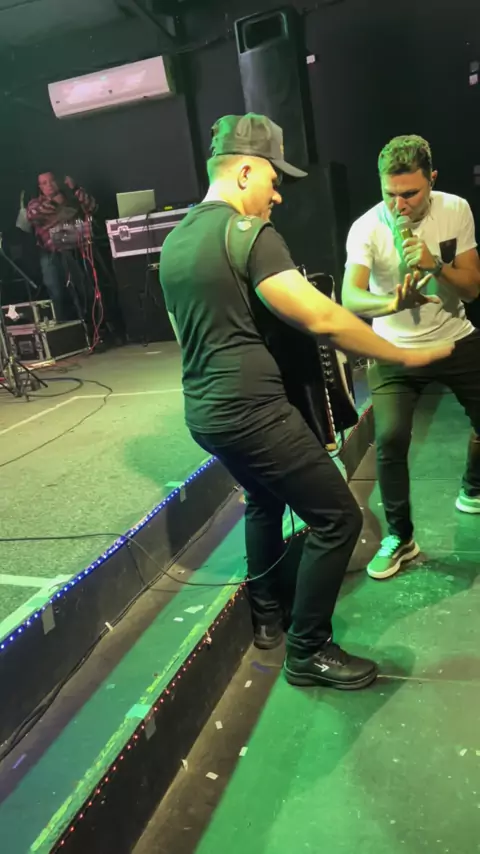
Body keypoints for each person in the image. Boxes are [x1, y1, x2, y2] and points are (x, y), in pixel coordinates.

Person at [160, 114, 452, 691]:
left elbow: (183, 333)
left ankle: (268, 615)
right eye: (273, 182)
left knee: (264, 500)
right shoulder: (248, 235)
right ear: (246, 172)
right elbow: (323, 319)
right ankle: (308, 650)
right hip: (252, 412)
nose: (277, 197)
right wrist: (406, 355)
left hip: (205, 411)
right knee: (337, 518)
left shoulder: (175, 242)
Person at [342, 134, 480, 581]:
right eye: (390, 193)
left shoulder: (455, 209)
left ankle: (473, 487)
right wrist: (391, 304)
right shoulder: (367, 227)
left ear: (431, 180)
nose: (399, 205)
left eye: (410, 194)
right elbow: (350, 297)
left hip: (455, 336)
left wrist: (436, 265)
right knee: (391, 439)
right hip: (394, 349)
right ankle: (401, 537)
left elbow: (473, 289)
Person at [26, 172, 96, 321]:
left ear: (58, 181)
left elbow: (91, 206)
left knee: (84, 289)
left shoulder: (70, 197)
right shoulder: (35, 203)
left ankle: (90, 324)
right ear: (40, 187)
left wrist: (75, 189)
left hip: (76, 251)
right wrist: (56, 204)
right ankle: (63, 327)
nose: (49, 185)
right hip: (51, 254)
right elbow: (34, 216)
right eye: (44, 183)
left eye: (51, 181)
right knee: (57, 292)